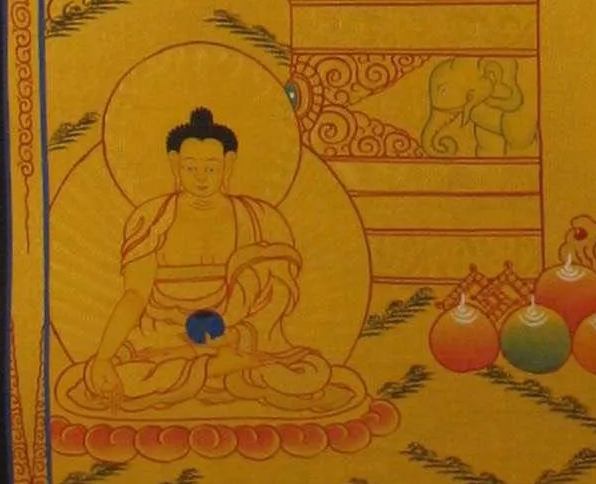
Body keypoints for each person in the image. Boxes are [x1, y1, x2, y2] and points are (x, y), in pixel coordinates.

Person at [56, 107, 366, 418]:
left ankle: (210, 369)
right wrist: (104, 357)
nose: (201, 178)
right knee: (117, 375)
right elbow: (135, 295)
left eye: (211, 167)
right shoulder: (151, 220)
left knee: (313, 370)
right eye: (191, 167)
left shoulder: (259, 219)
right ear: (175, 163)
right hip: (165, 337)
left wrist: (237, 335)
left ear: (228, 164)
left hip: (239, 336)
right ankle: (221, 371)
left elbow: (278, 294)